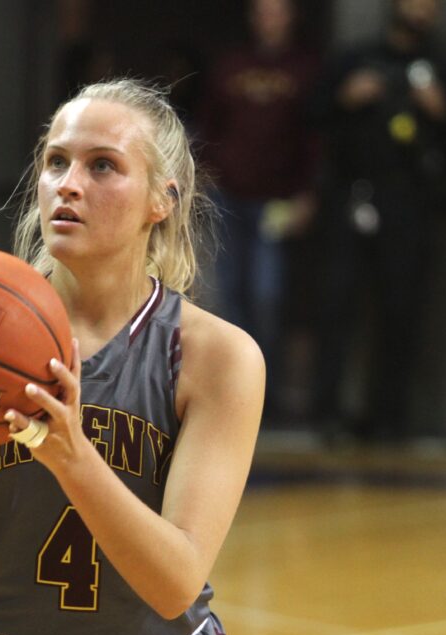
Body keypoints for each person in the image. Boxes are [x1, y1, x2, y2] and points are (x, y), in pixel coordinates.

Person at [0, 79, 264, 635]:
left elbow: (175, 586)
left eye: (102, 166)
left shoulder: (215, 356)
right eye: (56, 162)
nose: (68, 185)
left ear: (160, 199)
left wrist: (72, 457)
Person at [309, 0, 446, 442]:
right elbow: (310, 111)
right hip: (351, 194)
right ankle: (326, 413)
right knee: (335, 304)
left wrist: (439, 110)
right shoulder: (356, 57)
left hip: (408, 203)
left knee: (400, 310)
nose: (419, 9)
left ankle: (389, 418)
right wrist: (345, 98)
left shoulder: (442, 68)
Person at [198, 0, 320, 417]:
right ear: (253, 18)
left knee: (267, 295)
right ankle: (232, 394)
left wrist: (308, 192)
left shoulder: (305, 69)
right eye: (263, 11)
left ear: (291, 17)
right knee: (229, 297)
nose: (270, 19)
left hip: (277, 201)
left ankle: (267, 399)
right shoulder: (230, 66)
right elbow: (208, 124)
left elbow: (314, 138)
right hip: (228, 197)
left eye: (278, 11)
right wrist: (206, 172)